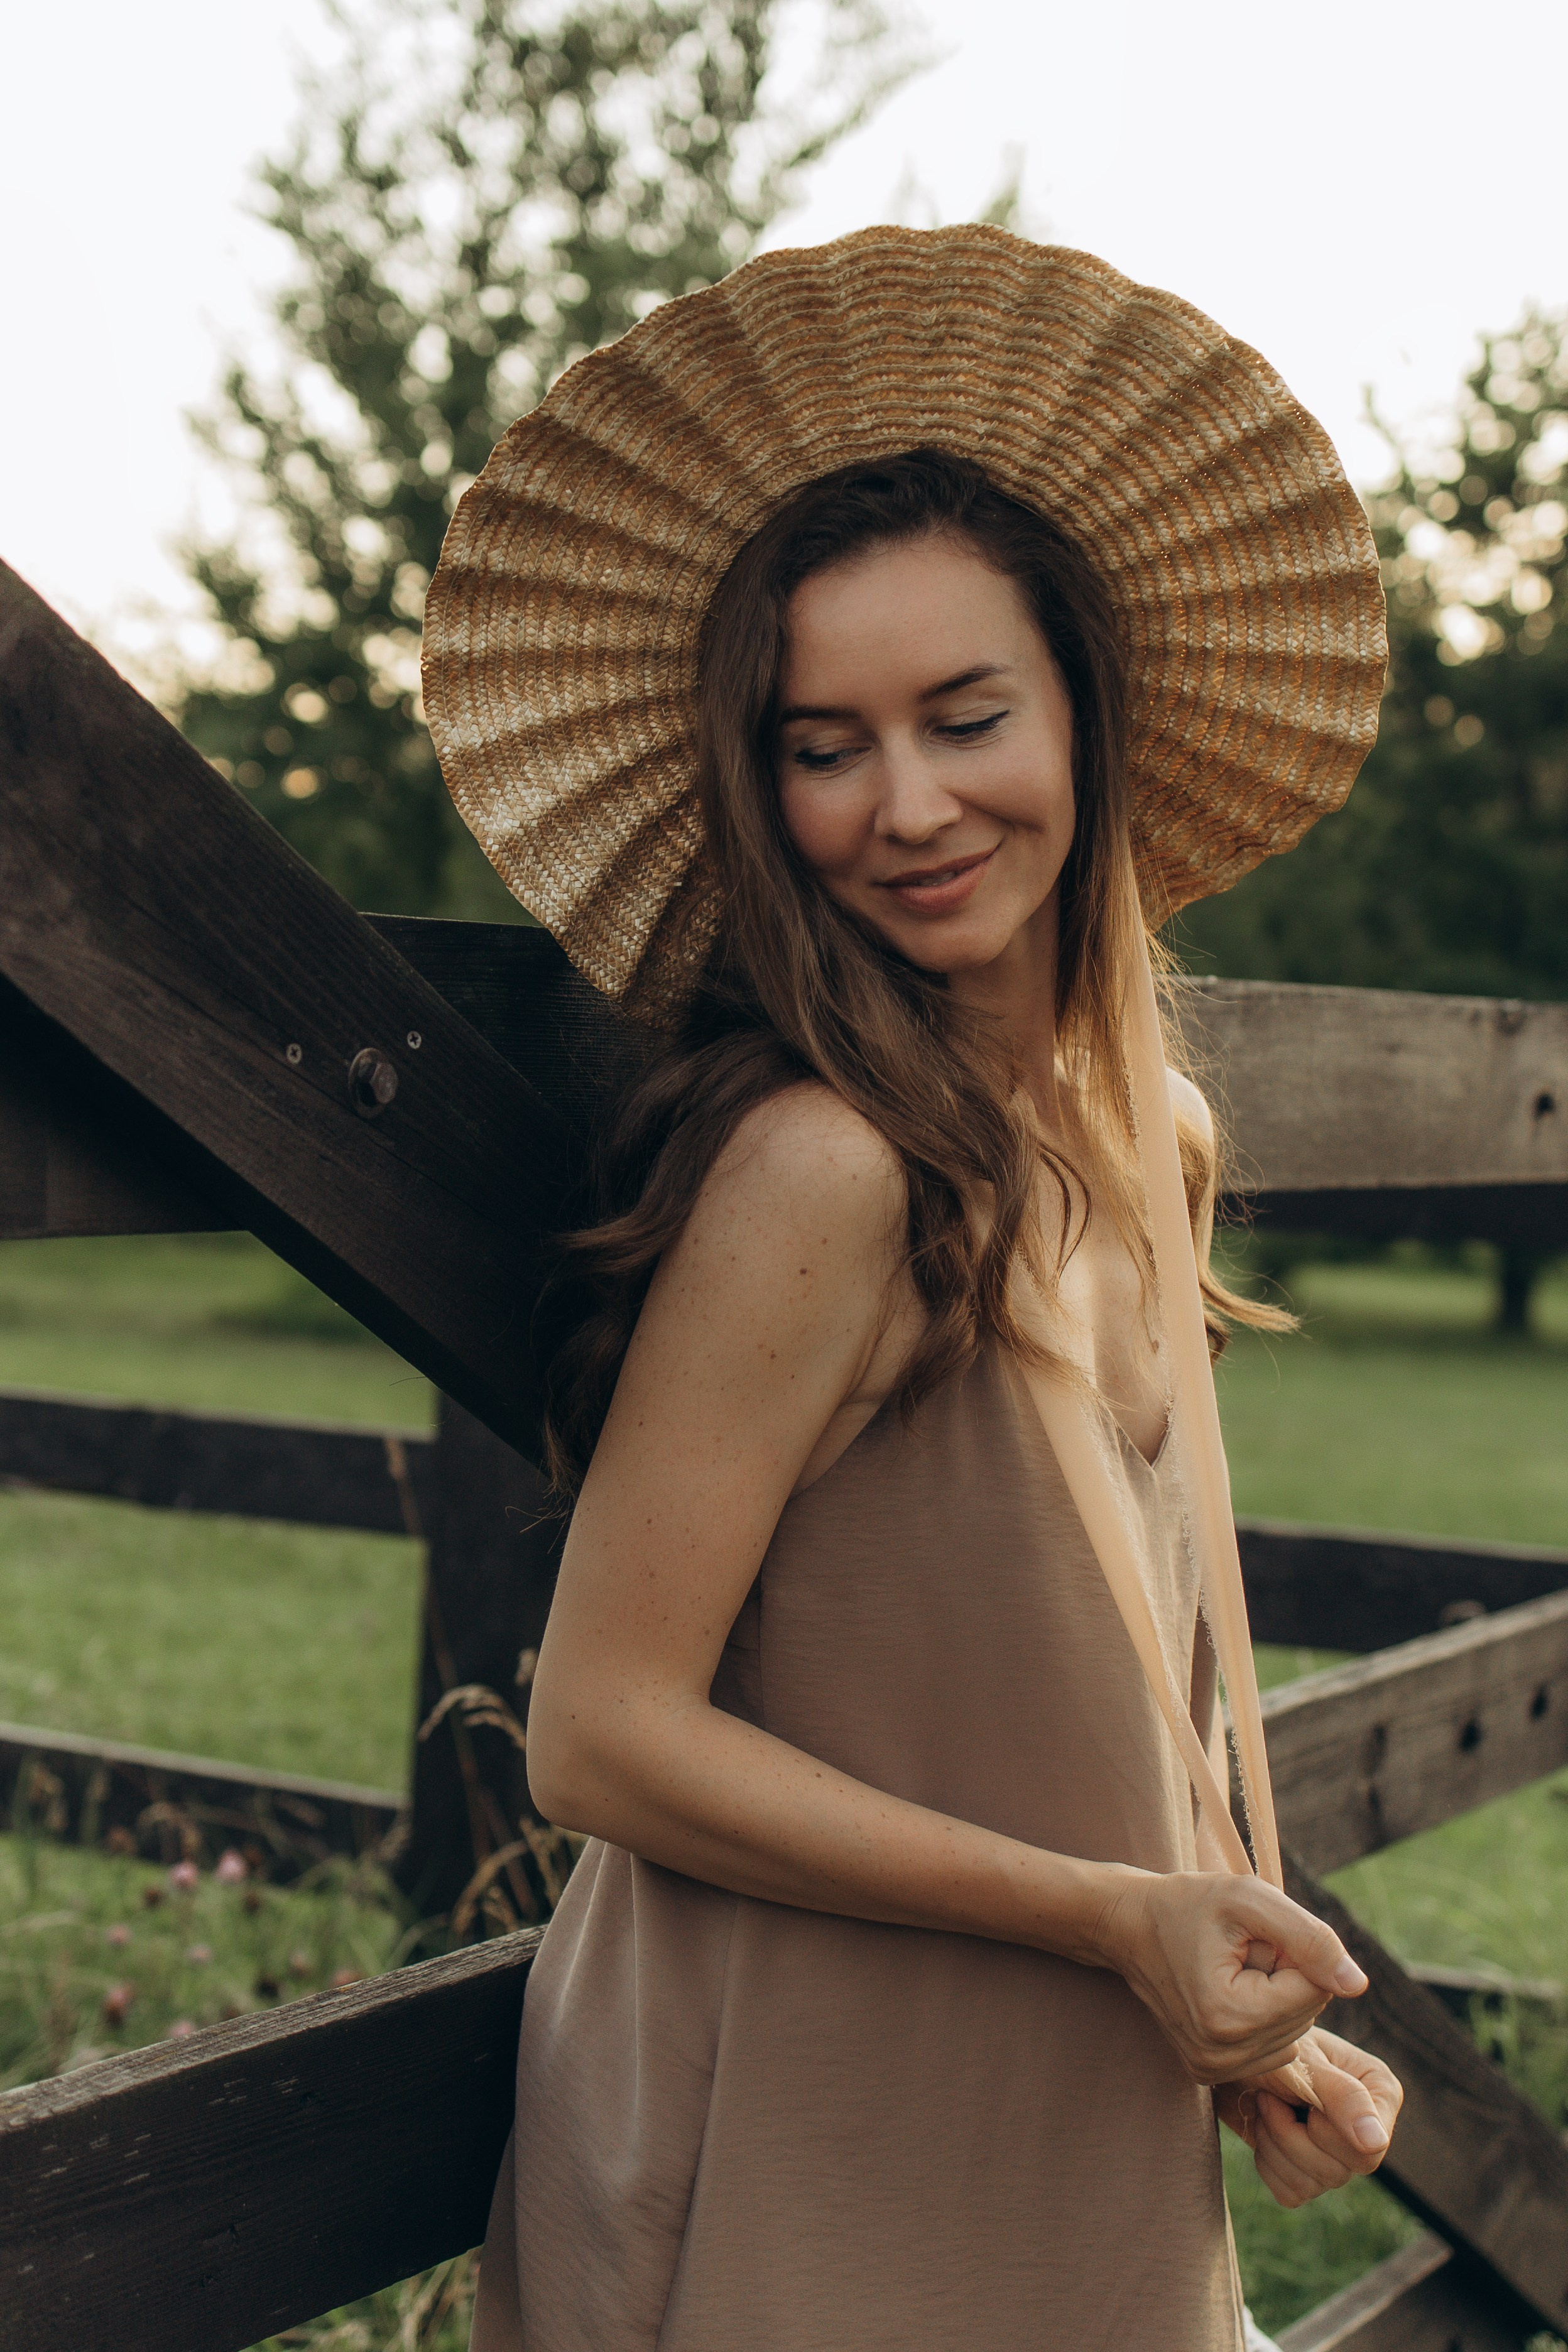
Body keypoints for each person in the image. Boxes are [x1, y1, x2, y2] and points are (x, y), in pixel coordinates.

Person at [422, 226, 1403, 2351]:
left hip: (1075, 2096)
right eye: (823, 744)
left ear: (1085, 714)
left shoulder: (1148, 1146)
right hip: (804, 2120)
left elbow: (1090, 1690)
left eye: (966, 715)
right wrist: (1123, 1921)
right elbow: (598, 1735)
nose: (909, 807)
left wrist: (1230, 2001)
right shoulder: (823, 1167)